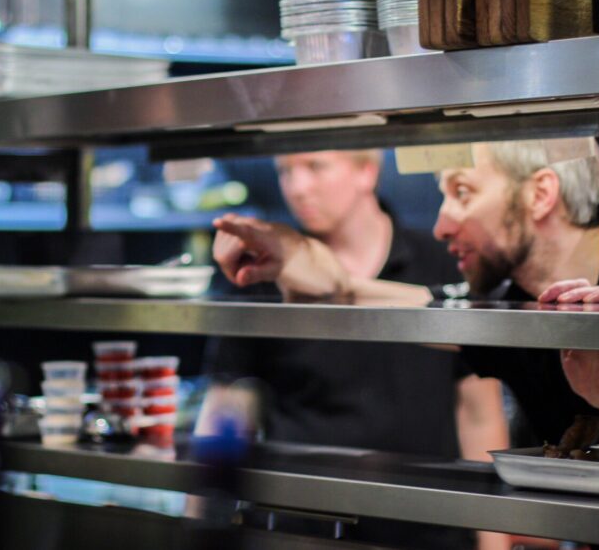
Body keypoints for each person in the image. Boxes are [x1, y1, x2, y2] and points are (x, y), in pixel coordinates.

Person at [211, 138, 599, 446]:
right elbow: (380, 299)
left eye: (462, 193)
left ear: (540, 194)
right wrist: (297, 259)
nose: (440, 225)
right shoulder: (506, 304)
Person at [198, 149, 511, 550]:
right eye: (285, 171)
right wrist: (204, 529)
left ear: (367, 171)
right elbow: (225, 411)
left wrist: (494, 541)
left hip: (425, 528)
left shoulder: (443, 265)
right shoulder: (260, 275)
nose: (297, 187)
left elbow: (479, 414)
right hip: (299, 529)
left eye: (315, 166)